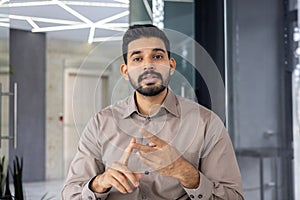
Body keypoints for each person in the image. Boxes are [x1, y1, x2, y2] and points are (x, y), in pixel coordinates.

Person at [62, 24, 244, 200]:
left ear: (171, 65)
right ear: (125, 71)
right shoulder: (101, 123)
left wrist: (186, 173)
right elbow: (70, 194)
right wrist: (100, 183)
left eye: (157, 57)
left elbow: (233, 197)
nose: (148, 65)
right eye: (138, 58)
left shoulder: (206, 123)